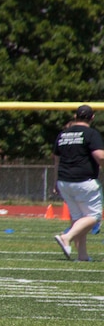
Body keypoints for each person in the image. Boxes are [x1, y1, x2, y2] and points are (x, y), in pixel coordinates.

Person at [52, 105, 104, 262]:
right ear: (92, 118)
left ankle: (82, 255)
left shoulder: (63, 134)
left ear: (75, 116)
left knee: (78, 219)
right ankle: (66, 237)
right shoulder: (91, 134)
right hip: (83, 181)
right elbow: (100, 157)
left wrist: (55, 181)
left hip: (64, 181)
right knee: (94, 216)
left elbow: (56, 159)